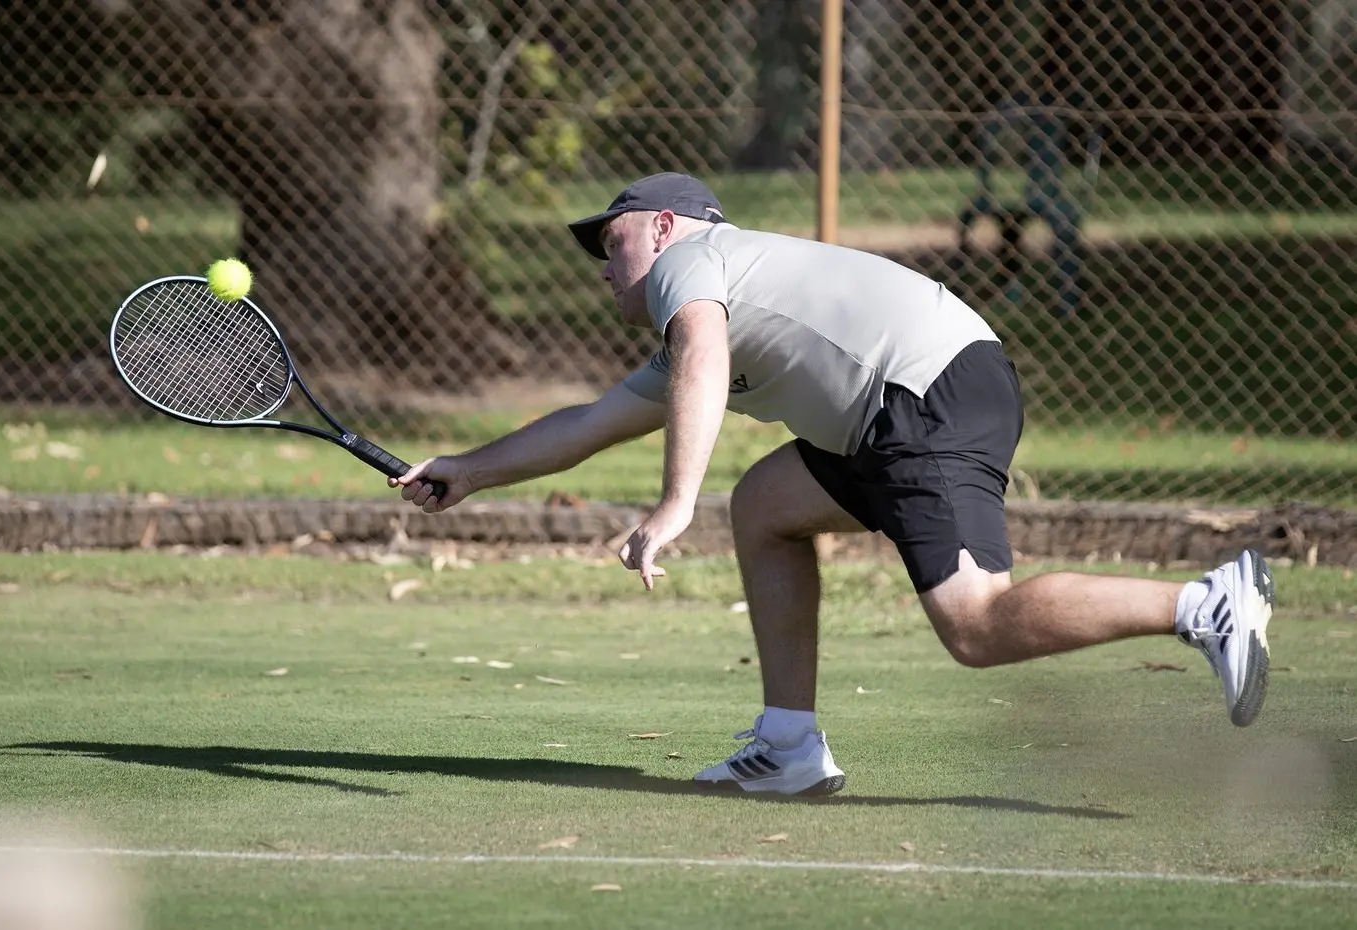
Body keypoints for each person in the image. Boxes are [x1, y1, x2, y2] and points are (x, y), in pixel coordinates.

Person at [391, 172, 1274, 797]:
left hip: (924, 393)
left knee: (975, 625)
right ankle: (787, 748)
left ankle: (1207, 604)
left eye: (611, 235)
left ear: (665, 227)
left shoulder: (691, 269)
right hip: (902, 400)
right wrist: (467, 472)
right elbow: (588, 424)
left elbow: (699, 357)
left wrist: (672, 503)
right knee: (768, 506)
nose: (602, 259)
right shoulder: (713, 299)